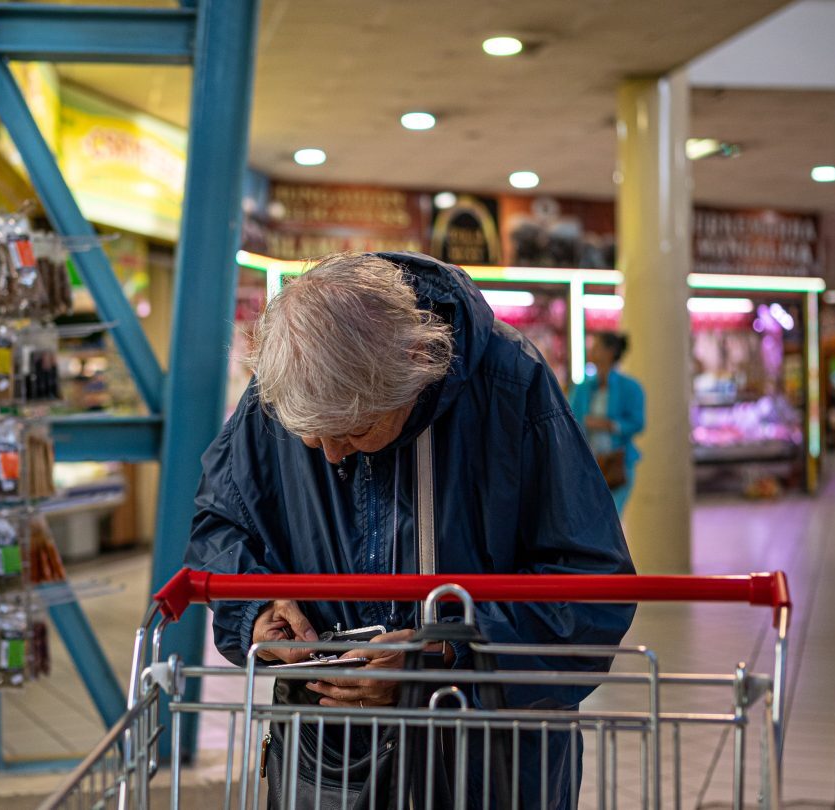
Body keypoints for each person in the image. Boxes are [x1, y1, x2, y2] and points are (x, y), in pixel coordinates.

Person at [184, 251, 635, 808]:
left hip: (486, 765)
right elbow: (221, 524)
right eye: (310, 435)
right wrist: (253, 608)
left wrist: (444, 654)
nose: (327, 455)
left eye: (353, 430)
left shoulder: (510, 385)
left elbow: (591, 592)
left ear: (417, 368)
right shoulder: (283, 383)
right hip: (326, 761)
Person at [567, 332, 646, 515]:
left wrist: (609, 425)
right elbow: (571, 419)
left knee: (611, 517)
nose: (592, 352)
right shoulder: (583, 388)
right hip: (589, 463)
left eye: (596, 348)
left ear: (610, 352)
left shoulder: (630, 387)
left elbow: (637, 423)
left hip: (617, 463)